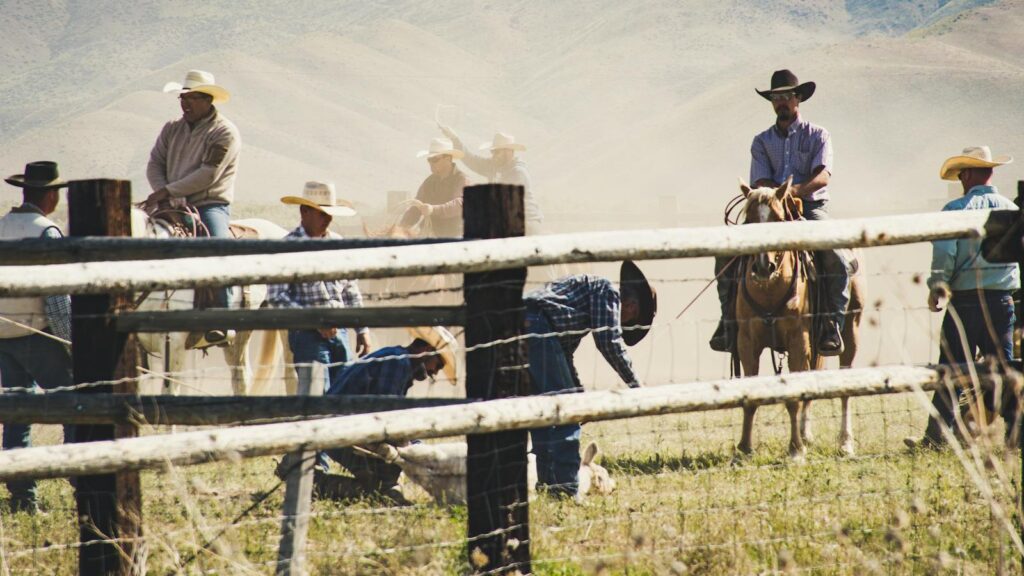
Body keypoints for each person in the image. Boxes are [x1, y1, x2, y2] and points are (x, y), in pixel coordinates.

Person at [710, 69, 847, 356]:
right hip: (769, 211)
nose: (781, 102)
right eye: (776, 98)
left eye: (787, 96)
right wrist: (776, 198)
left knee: (836, 255)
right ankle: (728, 320)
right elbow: (759, 182)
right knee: (726, 251)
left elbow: (823, 176)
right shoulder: (761, 142)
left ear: (798, 99)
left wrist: (793, 192)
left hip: (810, 208)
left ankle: (832, 324)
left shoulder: (818, 136)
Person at [905, 146, 1019, 450]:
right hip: (1001, 301)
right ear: (990, 173)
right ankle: (1016, 435)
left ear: (967, 174)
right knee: (1005, 371)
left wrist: (938, 286)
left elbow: (945, 255)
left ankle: (936, 437)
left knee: (951, 370)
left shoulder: (955, 210)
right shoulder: (1009, 209)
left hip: (966, 302)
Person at [525, 261, 656, 496]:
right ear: (632, 307)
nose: (622, 323)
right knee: (568, 412)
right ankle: (566, 487)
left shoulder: (581, 303)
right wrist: (637, 387)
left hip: (530, 324)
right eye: (628, 320)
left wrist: (578, 391)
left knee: (545, 412)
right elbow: (609, 343)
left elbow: (564, 354)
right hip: (540, 328)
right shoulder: (607, 293)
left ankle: (548, 482)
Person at [145, 69, 240, 348]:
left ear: (209, 100)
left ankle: (221, 321)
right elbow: (154, 164)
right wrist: (164, 192)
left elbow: (208, 174)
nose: (185, 103)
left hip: (209, 203)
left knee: (217, 247)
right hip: (170, 202)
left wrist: (168, 190)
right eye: (182, 97)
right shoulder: (171, 128)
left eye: (193, 98)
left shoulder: (224, 132)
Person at [0, 161, 74, 512]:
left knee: (17, 415)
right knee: (75, 407)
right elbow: (57, 301)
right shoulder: (46, 232)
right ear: (50, 195)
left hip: (5, 336)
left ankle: (22, 496)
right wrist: (72, 343)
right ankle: (85, 480)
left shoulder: (2, 227)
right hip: (38, 334)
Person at [312, 327, 456, 503]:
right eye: (438, 365)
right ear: (426, 351)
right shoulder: (398, 363)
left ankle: (380, 491)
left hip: (345, 427)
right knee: (383, 483)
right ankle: (317, 484)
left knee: (388, 475)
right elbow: (386, 417)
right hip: (341, 431)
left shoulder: (398, 360)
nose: (435, 372)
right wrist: (411, 448)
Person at [267, 181, 372, 395]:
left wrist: (362, 329)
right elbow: (277, 296)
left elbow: (350, 289)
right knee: (314, 392)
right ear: (304, 212)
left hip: (339, 329)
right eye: (322, 214)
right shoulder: (287, 247)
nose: (328, 220)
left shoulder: (337, 243)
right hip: (306, 332)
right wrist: (314, 319)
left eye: (330, 214)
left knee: (344, 390)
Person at [438, 127, 544, 234]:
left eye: (496, 152)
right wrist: (454, 139)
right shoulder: (494, 167)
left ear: (509, 152)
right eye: (492, 152)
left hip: (527, 224)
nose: (493, 155)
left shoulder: (517, 173)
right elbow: (471, 159)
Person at [400, 138, 467, 237]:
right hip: (431, 234)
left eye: (435, 159)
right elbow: (416, 207)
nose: (431, 163)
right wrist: (401, 227)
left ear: (448, 159)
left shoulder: (461, 179)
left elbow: (460, 204)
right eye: (429, 160)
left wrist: (433, 209)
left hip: (453, 236)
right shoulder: (429, 182)